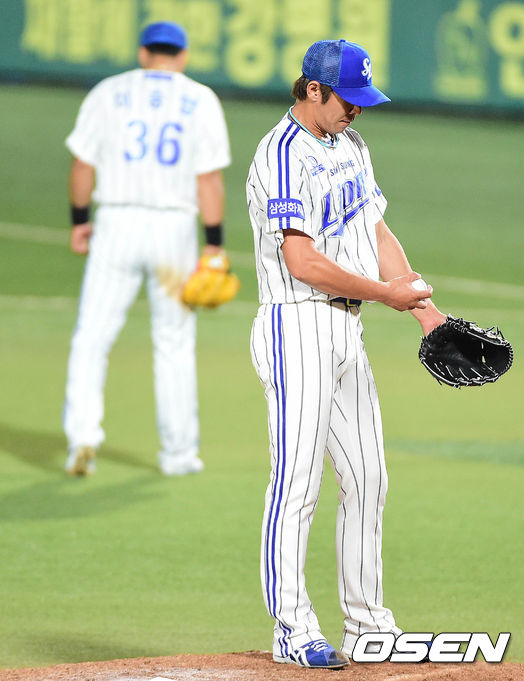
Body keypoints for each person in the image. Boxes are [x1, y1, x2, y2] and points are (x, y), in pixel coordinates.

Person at [247, 39, 446, 668]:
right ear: (313, 89)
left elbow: (375, 229)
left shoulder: (351, 145)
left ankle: (368, 627)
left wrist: (423, 309)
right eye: (347, 98)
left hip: (345, 333)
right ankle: (292, 630)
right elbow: (301, 261)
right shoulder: (282, 154)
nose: (356, 109)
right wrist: (386, 294)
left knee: (367, 477)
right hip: (295, 327)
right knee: (297, 485)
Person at [63, 21, 231, 476]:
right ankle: (178, 454)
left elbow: (82, 165)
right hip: (173, 231)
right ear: (183, 55)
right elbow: (208, 180)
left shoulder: (107, 92)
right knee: (174, 341)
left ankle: (82, 438)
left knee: (92, 335)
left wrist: (79, 221)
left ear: (143, 53)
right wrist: (214, 244)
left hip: (115, 224)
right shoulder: (200, 99)